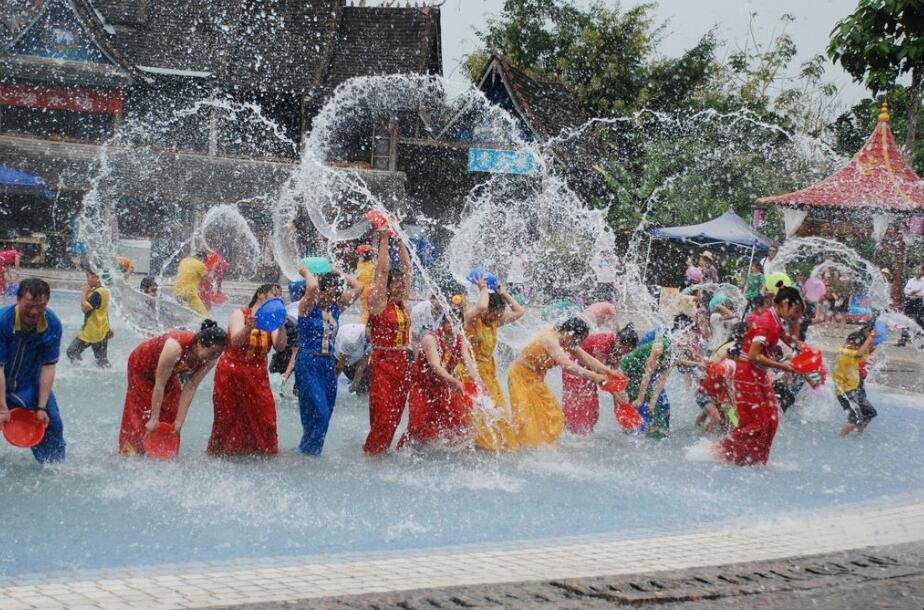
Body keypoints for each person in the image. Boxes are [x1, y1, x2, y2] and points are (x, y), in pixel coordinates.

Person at [711, 287, 805, 466]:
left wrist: (806, 349)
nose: (795, 316)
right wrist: (785, 367)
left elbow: (789, 340)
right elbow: (754, 355)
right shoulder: (766, 322)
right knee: (755, 423)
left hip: (758, 373)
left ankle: (757, 460)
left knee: (771, 421)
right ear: (784, 304)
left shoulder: (777, 320)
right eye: (795, 311)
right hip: (746, 373)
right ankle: (721, 449)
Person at [118, 320, 227, 456]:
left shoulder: (211, 359)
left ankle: (161, 450)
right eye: (213, 352)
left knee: (172, 410)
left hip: (169, 374)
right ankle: (132, 451)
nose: (215, 357)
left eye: (219, 353)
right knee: (141, 410)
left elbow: (191, 386)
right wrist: (154, 418)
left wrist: (179, 421)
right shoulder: (175, 347)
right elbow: (160, 384)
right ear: (199, 344)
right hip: (142, 367)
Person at [505, 317, 617, 449]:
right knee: (525, 417)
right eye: (576, 340)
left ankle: (543, 446)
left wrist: (608, 372)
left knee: (554, 415)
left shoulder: (567, 341)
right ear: (568, 333)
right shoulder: (550, 339)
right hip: (520, 376)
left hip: (537, 379)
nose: (575, 345)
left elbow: (588, 360)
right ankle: (520, 446)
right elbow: (567, 365)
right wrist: (594, 376)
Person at [208, 285, 288, 457]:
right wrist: (247, 328)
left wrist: (281, 327)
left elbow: (280, 346)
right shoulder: (240, 314)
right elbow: (235, 342)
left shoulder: (273, 320)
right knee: (228, 417)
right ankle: (222, 454)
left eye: (280, 296)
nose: (277, 299)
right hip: (231, 373)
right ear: (260, 294)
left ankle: (262, 454)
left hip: (257, 375)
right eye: (274, 294)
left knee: (266, 418)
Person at [295, 265, 362, 455]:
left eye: (334, 294)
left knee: (326, 412)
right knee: (318, 410)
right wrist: (307, 272)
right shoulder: (306, 306)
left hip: (327, 365)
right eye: (328, 293)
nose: (330, 298)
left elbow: (359, 287)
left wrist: (339, 272)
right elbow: (312, 288)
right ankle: (309, 451)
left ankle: (308, 450)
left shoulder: (336, 308)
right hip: (308, 362)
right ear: (321, 291)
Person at [399, 299, 481, 448]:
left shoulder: (459, 340)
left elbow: (468, 362)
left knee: (458, 424)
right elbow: (435, 366)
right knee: (418, 426)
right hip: (422, 387)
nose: (452, 328)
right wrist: (455, 382)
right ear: (442, 324)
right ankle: (408, 453)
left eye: (456, 325)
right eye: (449, 323)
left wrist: (479, 382)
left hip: (443, 386)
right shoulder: (430, 339)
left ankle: (446, 452)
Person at [0, 279, 65, 463]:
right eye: (29, 306)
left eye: (41, 306)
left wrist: (41, 406)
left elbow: (48, 366)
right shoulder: (2, 322)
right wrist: (3, 408)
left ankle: (55, 469)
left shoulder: (52, 324)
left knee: (53, 424)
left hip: (30, 385)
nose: (35, 311)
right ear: (18, 300)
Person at [363, 224, 413, 454]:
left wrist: (400, 238)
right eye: (396, 283)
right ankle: (372, 453)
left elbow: (407, 267)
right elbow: (382, 271)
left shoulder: (403, 303)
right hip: (383, 361)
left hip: (402, 363)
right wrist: (384, 238)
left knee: (395, 413)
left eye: (402, 283)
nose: (401, 286)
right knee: (382, 411)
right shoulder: (379, 302)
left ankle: (380, 449)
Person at [464, 279, 525, 450]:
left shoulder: (494, 322)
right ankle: (481, 447)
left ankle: (500, 445)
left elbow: (520, 311)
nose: (496, 318)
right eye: (494, 314)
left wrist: (503, 293)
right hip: (470, 372)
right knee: (478, 413)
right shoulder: (472, 320)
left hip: (489, 373)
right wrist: (483, 288)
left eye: (499, 315)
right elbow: (482, 307)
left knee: (500, 412)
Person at [561, 325, 638, 434]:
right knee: (577, 402)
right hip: (575, 369)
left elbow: (613, 380)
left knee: (591, 407)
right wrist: (616, 396)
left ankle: (583, 433)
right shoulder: (605, 341)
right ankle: (568, 431)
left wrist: (620, 406)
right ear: (618, 340)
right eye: (624, 348)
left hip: (589, 373)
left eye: (627, 351)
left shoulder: (618, 352)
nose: (623, 352)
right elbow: (600, 373)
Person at [618, 328, 676, 438]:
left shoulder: (676, 352)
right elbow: (647, 374)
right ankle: (633, 435)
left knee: (655, 411)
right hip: (630, 369)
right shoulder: (659, 346)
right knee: (636, 403)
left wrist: (653, 402)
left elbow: (662, 380)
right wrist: (640, 398)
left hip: (641, 373)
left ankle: (652, 433)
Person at [835, 329, 877, 437]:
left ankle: (858, 435)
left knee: (870, 413)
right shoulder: (844, 352)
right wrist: (870, 338)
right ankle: (839, 439)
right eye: (850, 343)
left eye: (855, 344)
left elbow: (867, 351)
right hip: (845, 392)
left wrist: (871, 340)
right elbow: (859, 353)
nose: (850, 345)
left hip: (854, 390)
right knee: (855, 419)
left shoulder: (853, 353)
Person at [66, 268, 111, 368]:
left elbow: (85, 308)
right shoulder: (103, 291)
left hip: (92, 332)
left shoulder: (97, 293)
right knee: (102, 362)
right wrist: (108, 328)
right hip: (102, 331)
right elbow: (104, 311)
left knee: (72, 351)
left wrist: (84, 293)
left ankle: (81, 369)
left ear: (97, 277)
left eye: (88, 276)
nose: (87, 279)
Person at [694, 357, 736, 434]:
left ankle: (697, 430)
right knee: (716, 417)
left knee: (718, 416)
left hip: (712, 395)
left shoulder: (726, 367)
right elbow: (729, 390)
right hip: (703, 394)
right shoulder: (721, 369)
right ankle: (705, 438)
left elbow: (730, 390)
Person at [334, 323, 370, 395]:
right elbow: (340, 365)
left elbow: (362, 364)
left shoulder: (376, 338)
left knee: (367, 381)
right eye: (371, 331)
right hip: (336, 357)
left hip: (354, 358)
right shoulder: (351, 339)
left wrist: (354, 386)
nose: (375, 335)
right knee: (330, 381)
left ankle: (360, 399)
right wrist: (332, 385)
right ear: (367, 327)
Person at [173, 251, 212, 315]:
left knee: (185, 314)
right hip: (189, 293)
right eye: (205, 262)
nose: (205, 264)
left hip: (177, 292)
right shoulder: (200, 265)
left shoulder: (184, 260)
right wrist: (214, 268)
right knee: (205, 315)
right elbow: (209, 278)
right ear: (202, 259)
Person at [355, 243, 376, 323]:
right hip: (367, 292)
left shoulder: (361, 264)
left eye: (359, 254)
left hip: (365, 292)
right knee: (367, 311)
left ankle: (363, 325)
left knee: (366, 311)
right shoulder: (371, 266)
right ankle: (363, 325)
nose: (358, 255)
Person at [903, 265, 924, 331]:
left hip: (919, 301)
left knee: (919, 318)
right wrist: (912, 292)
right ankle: (905, 335)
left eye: (919, 270)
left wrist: (915, 293)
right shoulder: (910, 281)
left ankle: (920, 333)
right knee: (906, 317)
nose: (918, 271)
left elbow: (923, 292)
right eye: (916, 270)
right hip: (909, 300)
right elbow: (905, 290)